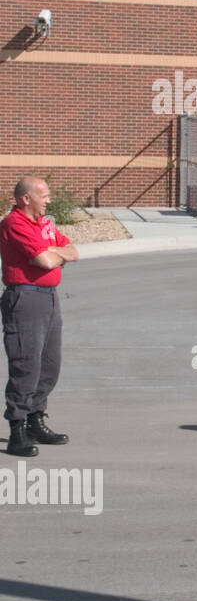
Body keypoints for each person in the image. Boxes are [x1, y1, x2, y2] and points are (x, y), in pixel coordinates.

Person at [0, 177, 77, 457]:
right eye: (43, 195)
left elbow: (74, 252)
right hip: (25, 298)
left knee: (49, 364)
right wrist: (53, 255)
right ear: (26, 199)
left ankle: (35, 418)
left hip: (49, 297)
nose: (49, 199)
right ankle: (17, 428)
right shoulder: (15, 223)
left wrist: (52, 251)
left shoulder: (44, 225)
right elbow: (45, 261)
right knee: (26, 363)